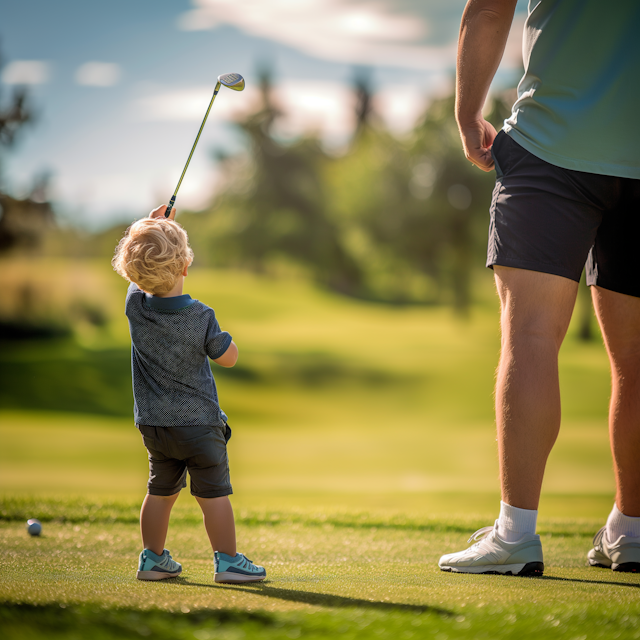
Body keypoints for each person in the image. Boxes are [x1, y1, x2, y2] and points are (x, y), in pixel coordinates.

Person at [439, 0, 640, 576]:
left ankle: (515, 535)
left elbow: (489, 8)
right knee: (636, 357)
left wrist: (467, 114)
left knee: (530, 335)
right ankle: (632, 530)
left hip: (553, 143)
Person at [112, 204, 266, 583]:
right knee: (212, 494)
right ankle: (228, 561)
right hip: (199, 425)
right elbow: (228, 358)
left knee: (160, 491)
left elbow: (138, 280)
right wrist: (227, 339)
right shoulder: (201, 315)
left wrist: (153, 227)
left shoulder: (136, 307)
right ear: (185, 266)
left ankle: (152, 559)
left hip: (155, 427)